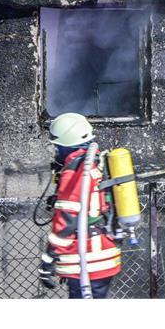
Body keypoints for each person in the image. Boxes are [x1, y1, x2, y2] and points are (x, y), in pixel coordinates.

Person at [37, 113, 121, 298]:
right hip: (101, 255)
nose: (55, 151)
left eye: (56, 146)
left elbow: (67, 217)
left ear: (65, 143)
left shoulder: (77, 169)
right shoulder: (96, 163)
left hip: (87, 260)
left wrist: (49, 258)